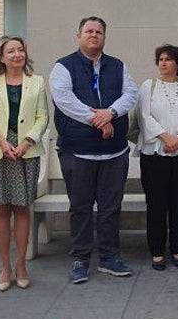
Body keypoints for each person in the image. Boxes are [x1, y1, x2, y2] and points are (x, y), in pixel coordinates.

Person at [50, 16, 138, 284]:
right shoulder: (63, 67)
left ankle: (110, 257)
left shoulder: (118, 66)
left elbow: (131, 94)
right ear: (78, 37)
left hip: (114, 152)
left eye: (99, 31)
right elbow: (65, 100)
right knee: (81, 207)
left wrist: (110, 113)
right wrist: (98, 120)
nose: (94, 35)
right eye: (88, 31)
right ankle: (81, 259)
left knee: (111, 207)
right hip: (77, 152)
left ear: (104, 37)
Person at [0, 36, 48, 290]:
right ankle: (5, 267)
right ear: (1, 57)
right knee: (1, 209)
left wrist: (27, 141)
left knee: (21, 208)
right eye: (11, 51)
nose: (17, 54)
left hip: (25, 151)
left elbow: (42, 117)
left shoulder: (37, 82)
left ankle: (21, 265)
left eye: (20, 50)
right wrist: (0, 140)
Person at [137, 44, 178, 270]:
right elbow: (144, 116)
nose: (163, 63)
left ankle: (177, 249)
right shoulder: (148, 87)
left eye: (168, 59)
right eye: (160, 59)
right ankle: (156, 251)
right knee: (156, 204)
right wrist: (166, 137)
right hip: (155, 154)